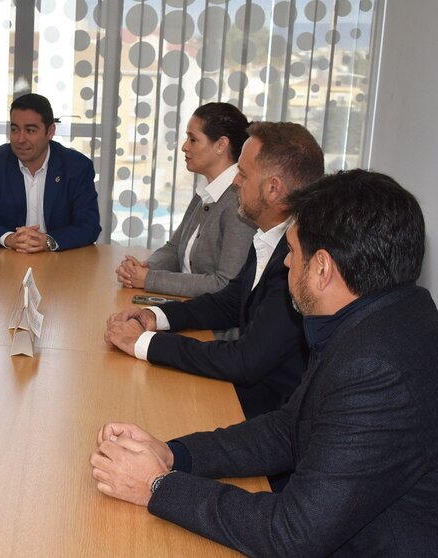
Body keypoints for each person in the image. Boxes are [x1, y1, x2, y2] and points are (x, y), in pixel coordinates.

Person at [90, 170, 438, 556]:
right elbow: (290, 428)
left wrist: (157, 485)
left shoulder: (376, 367)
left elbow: (293, 534)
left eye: (292, 251)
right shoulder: (380, 316)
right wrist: (174, 455)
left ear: (322, 269)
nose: (286, 263)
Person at [105, 122, 324, 419]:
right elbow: (231, 300)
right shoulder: (268, 235)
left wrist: (143, 343)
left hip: (267, 417)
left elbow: (245, 360)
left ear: (273, 189)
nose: (235, 182)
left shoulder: (298, 261)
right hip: (246, 398)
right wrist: (157, 317)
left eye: (243, 175)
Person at [115, 103, 255, 297]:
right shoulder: (206, 192)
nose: (184, 147)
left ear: (221, 145)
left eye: (193, 139)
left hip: (213, 324)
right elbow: (174, 249)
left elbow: (224, 284)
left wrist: (149, 279)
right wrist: (144, 268)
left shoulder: (239, 202)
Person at [0, 92, 101, 252]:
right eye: (15, 129)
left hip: (59, 262)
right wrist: (9, 238)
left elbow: (88, 226)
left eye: (30, 130)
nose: (20, 139)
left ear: (50, 131)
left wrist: (47, 241)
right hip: (6, 260)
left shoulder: (76, 166)